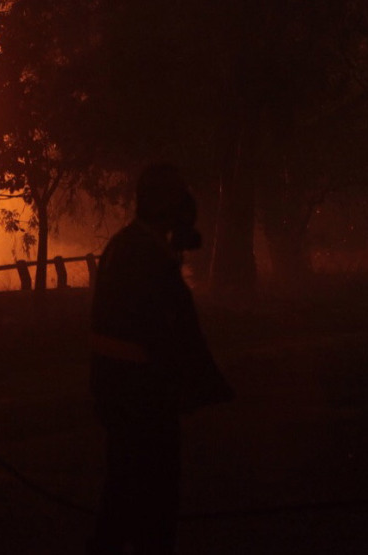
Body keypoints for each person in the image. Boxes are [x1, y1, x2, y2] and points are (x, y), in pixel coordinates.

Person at [88, 163, 234, 555]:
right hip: (143, 395)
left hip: (113, 388)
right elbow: (174, 332)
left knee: (121, 488)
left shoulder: (123, 245)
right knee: (155, 494)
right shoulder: (151, 258)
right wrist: (205, 387)